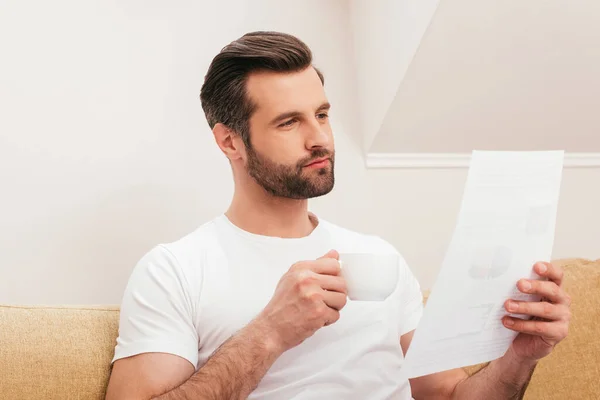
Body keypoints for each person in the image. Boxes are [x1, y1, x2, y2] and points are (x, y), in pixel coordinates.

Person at [105, 31, 571, 400]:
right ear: (230, 142)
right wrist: (269, 333)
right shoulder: (176, 270)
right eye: (289, 122)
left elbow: (447, 395)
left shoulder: (378, 256)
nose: (320, 139)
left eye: (322, 114)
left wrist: (520, 358)